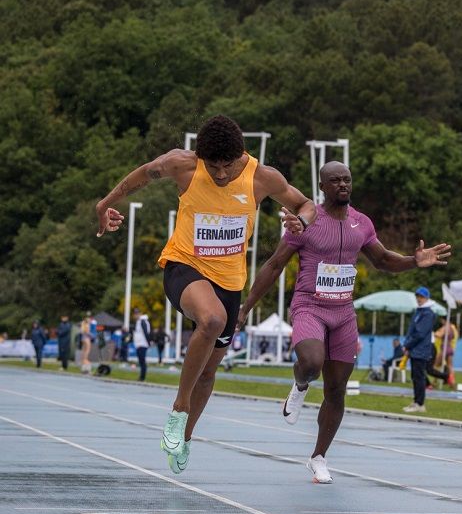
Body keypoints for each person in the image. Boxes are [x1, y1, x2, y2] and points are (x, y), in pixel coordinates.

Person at [95, 115, 316, 474]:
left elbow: (307, 204)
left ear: (239, 156)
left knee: (210, 371)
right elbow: (141, 175)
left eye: (227, 167)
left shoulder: (263, 177)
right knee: (211, 319)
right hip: (184, 267)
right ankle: (178, 410)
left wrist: (301, 221)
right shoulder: (182, 165)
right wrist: (103, 205)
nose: (221, 175)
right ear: (201, 157)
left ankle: (186, 436)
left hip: (230, 281)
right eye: (213, 167)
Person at [238, 161, 449, 482]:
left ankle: (319, 457)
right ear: (322, 187)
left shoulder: (361, 223)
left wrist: (413, 261)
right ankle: (300, 384)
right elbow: (274, 264)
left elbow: (382, 260)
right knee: (310, 361)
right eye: (335, 181)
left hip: (343, 313)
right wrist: (246, 307)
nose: (343, 186)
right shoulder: (305, 223)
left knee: (337, 391)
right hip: (310, 306)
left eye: (347, 180)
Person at [402, 287, 437, 413]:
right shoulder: (419, 311)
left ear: (427, 298)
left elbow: (420, 334)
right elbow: (412, 330)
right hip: (415, 349)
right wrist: (406, 345)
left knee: (419, 377)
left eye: (421, 297)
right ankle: (416, 401)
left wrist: (408, 345)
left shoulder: (428, 313)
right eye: (417, 296)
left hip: (421, 350)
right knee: (415, 377)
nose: (419, 299)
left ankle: (420, 404)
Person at [133, 307, 152, 381]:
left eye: (137, 313)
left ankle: (142, 377)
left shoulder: (142, 321)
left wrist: (148, 343)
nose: (136, 315)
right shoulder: (139, 321)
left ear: (140, 313)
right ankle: (141, 376)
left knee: (142, 361)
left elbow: (146, 332)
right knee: (141, 361)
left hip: (142, 344)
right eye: (135, 313)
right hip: (139, 344)